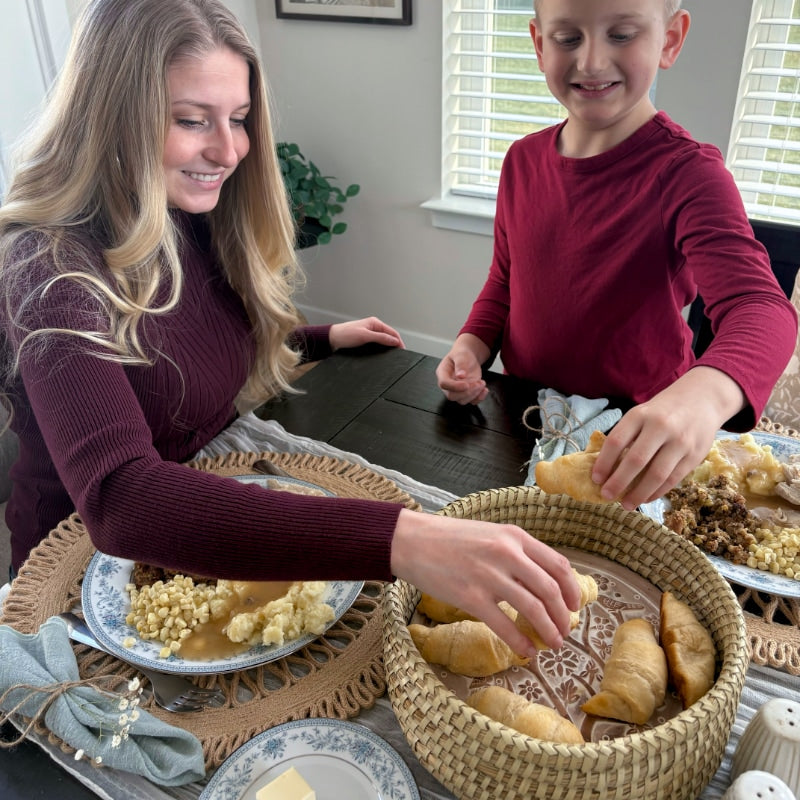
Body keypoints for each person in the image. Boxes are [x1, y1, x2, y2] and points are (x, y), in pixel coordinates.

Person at [0, 0, 580, 658]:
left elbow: (187, 356)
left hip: (194, 529)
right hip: (72, 582)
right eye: (192, 120)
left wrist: (319, 338)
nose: (228, 150)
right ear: (111, 119)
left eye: (240, 119)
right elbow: (119, 498)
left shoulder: (186, 209)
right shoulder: (48, 268)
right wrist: (404, 540)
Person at [437, 0, 798, 511]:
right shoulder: (522, 160)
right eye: (568, 39)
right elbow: (505, 278)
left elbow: (761, 308)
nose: (591, 62)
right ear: (539, 44)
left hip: (637, 434)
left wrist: (703, 396)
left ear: (670, 39)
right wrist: (472, 346)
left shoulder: (689, 174)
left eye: (622, 34)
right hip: (525, 413)